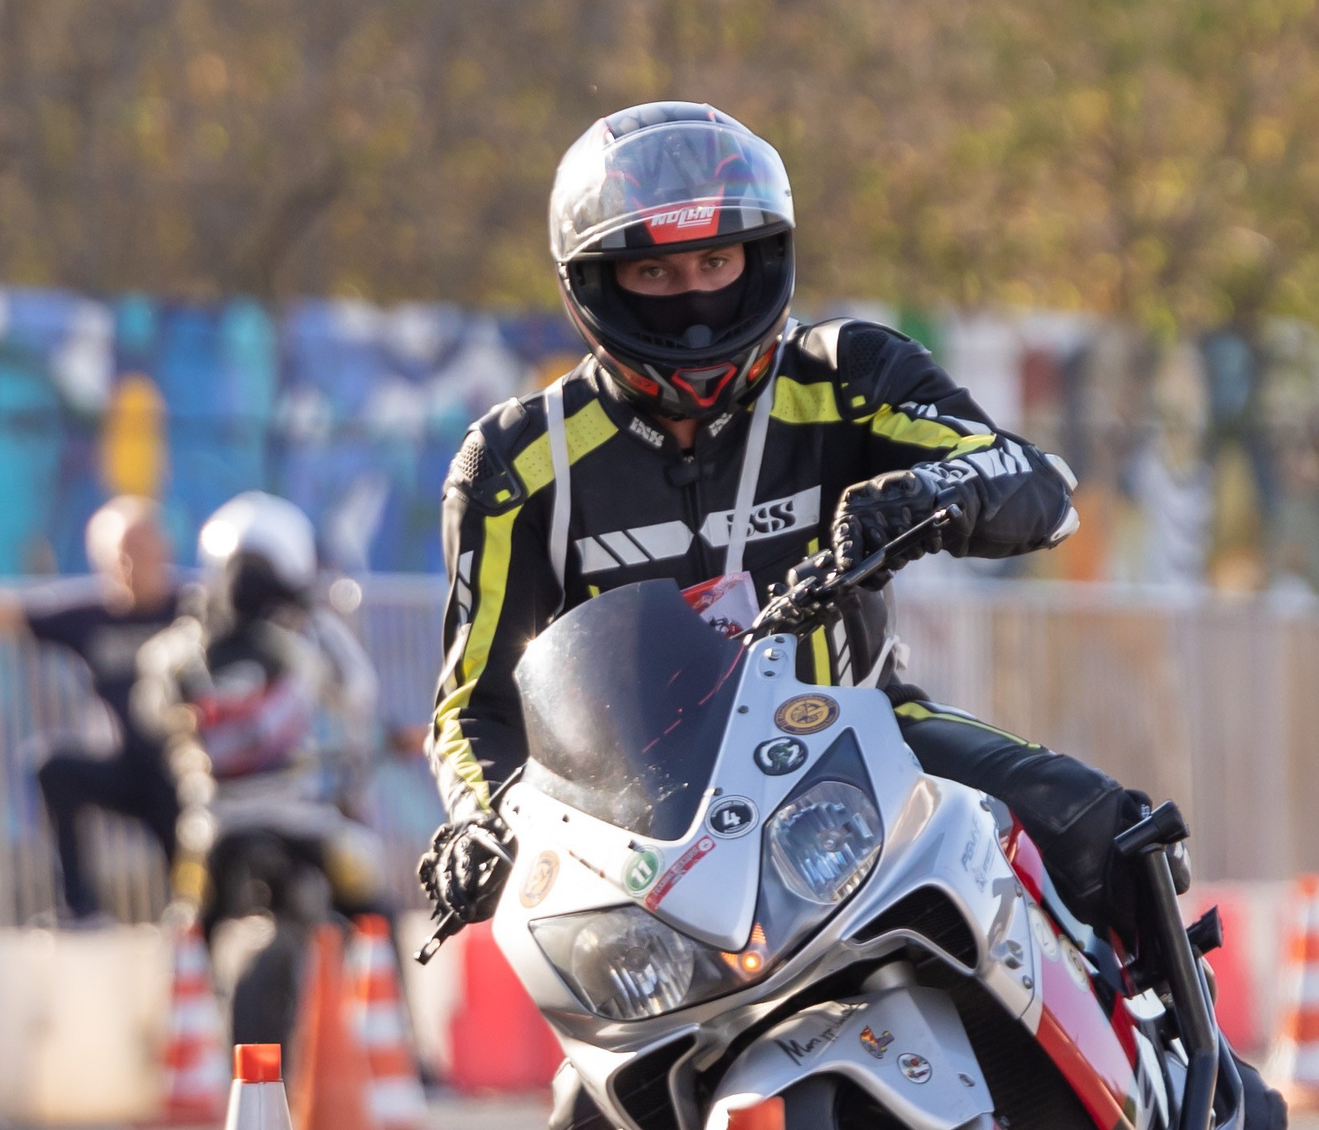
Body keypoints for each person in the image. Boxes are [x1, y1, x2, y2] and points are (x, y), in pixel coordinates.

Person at [417, 102, 1157, 950]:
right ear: (594, 280)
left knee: (1108, 830)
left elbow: (1042, 488)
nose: (695, 298)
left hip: (869, 744)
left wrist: (928, 494)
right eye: (654, 271)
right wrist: (482, 819)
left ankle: (1193, 1035)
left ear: (761, 255)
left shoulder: (848, 373)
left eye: (715, 260)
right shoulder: (514, 464)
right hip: (642, 841)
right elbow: (471, 708)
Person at [133, 492, 389, 1041]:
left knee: (188, 926)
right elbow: (358, 693)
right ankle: (397, 1037)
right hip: (303, 819)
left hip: (211, 821)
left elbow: (150, 709)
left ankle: (176, 1038)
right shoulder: (307, 639)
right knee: (373, 912)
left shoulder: (185, 644)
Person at [0, 497, 180, 923]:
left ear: (163, 550)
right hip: (133, 771)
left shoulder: (195, 609)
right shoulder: (93, 618)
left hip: (189, 773)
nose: (132, 564)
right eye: (121, 555)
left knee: (195, 858)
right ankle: (81, 908)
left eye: (142, 549)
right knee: (53, 769)